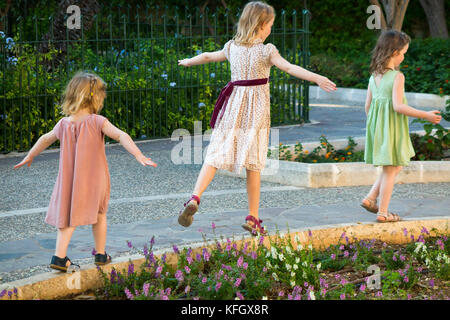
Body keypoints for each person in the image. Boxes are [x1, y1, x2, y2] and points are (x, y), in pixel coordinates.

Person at [177, 1, 337, 235]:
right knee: (254, 163)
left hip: (232, 108)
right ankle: (252, 217)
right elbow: (290, 68)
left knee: (214, 153)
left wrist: (189, 61)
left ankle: (195, 197)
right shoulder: (266, 50)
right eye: (270, 25)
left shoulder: (232, 47)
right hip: (256, 113)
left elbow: (209, 56)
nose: (271, 29)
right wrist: (316, 78)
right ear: (261, 25)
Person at [14, 71, 157, 272]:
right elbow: (120, 135)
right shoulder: (97, 121)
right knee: (99, 213)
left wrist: (29, 156)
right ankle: (100, 254)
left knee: (68, 216)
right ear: (96, 98)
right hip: (94, 180)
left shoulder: (64, 123)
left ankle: (59, 256)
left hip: (70, 181)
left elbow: (45, 139)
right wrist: (138, 155)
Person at [361, 30, 441, 222]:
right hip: (392, 129)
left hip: (380, 129)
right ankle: (383, 212)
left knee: (394, 167)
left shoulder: (374, 76)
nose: (404, 56)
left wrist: (376, 127)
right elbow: (398, 106)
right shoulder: (397, 77)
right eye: (404, 52)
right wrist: (426, 115)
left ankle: (371, 198)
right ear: (394, 52)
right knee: (391, 170)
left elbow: (367, 106)